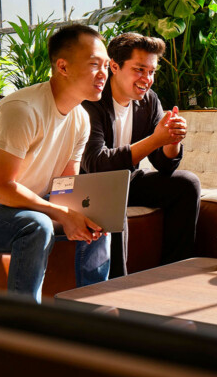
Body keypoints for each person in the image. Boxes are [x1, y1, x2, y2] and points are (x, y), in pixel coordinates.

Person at [0, 23, 112, 303]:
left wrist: (80, 215)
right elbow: (2, 188)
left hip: (17, 207)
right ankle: (26, 325)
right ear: (63, 67)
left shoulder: (81, 120)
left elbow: (64, 191)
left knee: (98, 222)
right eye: (94, 64)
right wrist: (62, 215)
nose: (103, 74)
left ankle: (90, 314)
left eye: (106, 65)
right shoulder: (23, 110)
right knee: (37, 225)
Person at [81, 32, 200, 276]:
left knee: (186, 184)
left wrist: (171, 139)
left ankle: (173, 272)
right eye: (139, 69)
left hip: (125, 181)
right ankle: (117, 287)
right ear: (114, 66)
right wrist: (155, 139)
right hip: (89, 186)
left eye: (152, 71)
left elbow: (164, 165)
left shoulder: (148, 101)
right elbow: (96, 163)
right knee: (111, 200)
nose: (147, 79)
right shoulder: (91, 102)